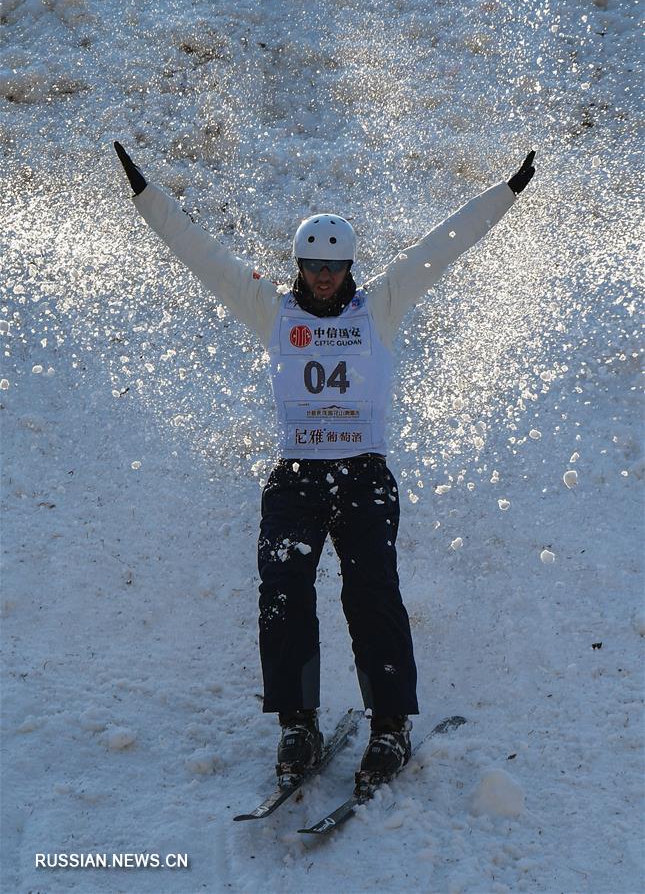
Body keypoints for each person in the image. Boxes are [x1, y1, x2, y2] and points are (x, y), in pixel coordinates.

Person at [114, 141, 535, 786]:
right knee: (282, 597)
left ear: (349, 266)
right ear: (300, 265)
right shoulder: (271, 311)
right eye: (314, 266)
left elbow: (442, 246)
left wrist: (506, 192)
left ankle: (391, 728)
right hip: (296, 479)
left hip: (363, 476)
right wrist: (147, 197)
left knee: (371, 597)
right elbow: (202, 255)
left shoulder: (381, 307)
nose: (325, 277)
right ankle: (298, 724)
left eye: (335, 266)